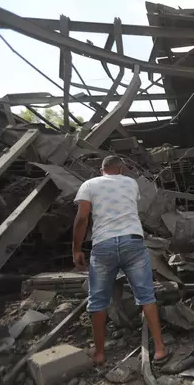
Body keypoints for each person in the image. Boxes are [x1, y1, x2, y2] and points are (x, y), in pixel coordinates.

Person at [72, 156, 168, 365]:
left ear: (101, 169)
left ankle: (99, 353)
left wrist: (76, 249)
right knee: (146, 296)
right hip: (132, 242)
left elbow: (82, 218)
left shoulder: (89, 185)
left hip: (103, 245)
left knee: (97, 301)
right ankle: (160, 348)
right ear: (122, 168)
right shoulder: (131, 183)